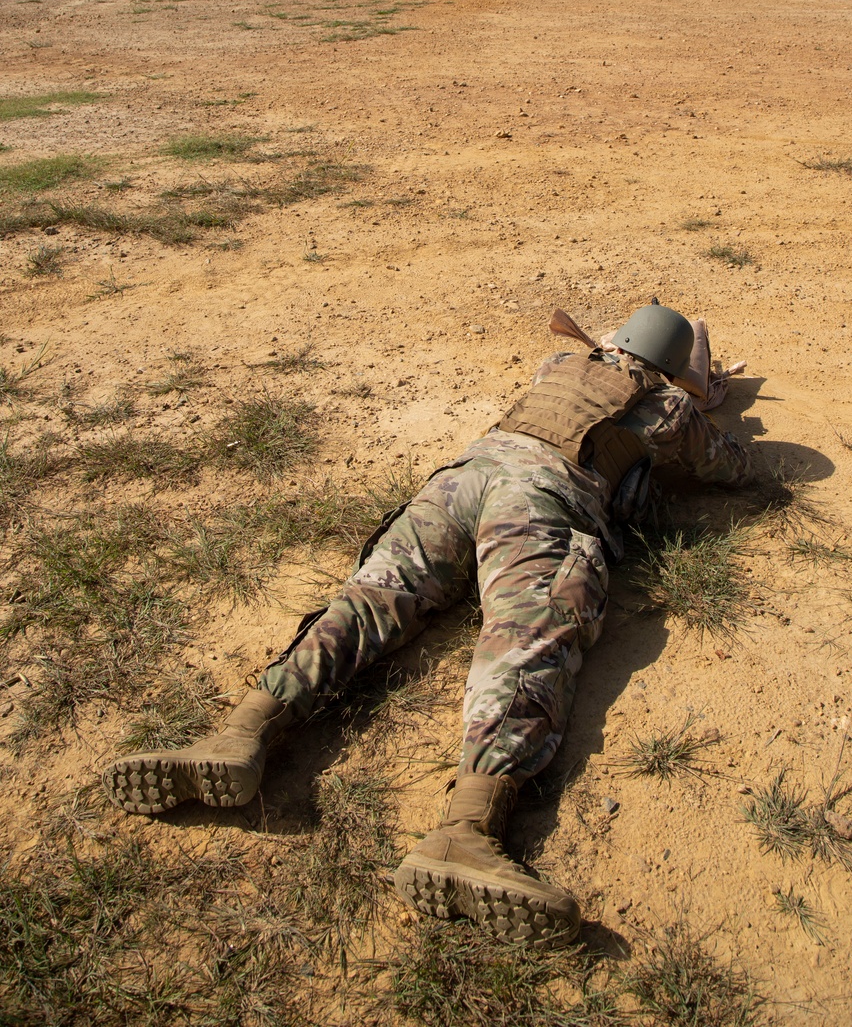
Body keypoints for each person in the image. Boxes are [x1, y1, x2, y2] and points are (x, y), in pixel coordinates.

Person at [104, 302, 752, 947]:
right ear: (671, 365)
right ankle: (465, 832)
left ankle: (240, 732)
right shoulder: (666, 406)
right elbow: (725, 465)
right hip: (542, 499)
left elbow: (583, 369)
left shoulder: (560, 364)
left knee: (367, 601)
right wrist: (703, 401)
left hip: (460, 482)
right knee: (524, 645)